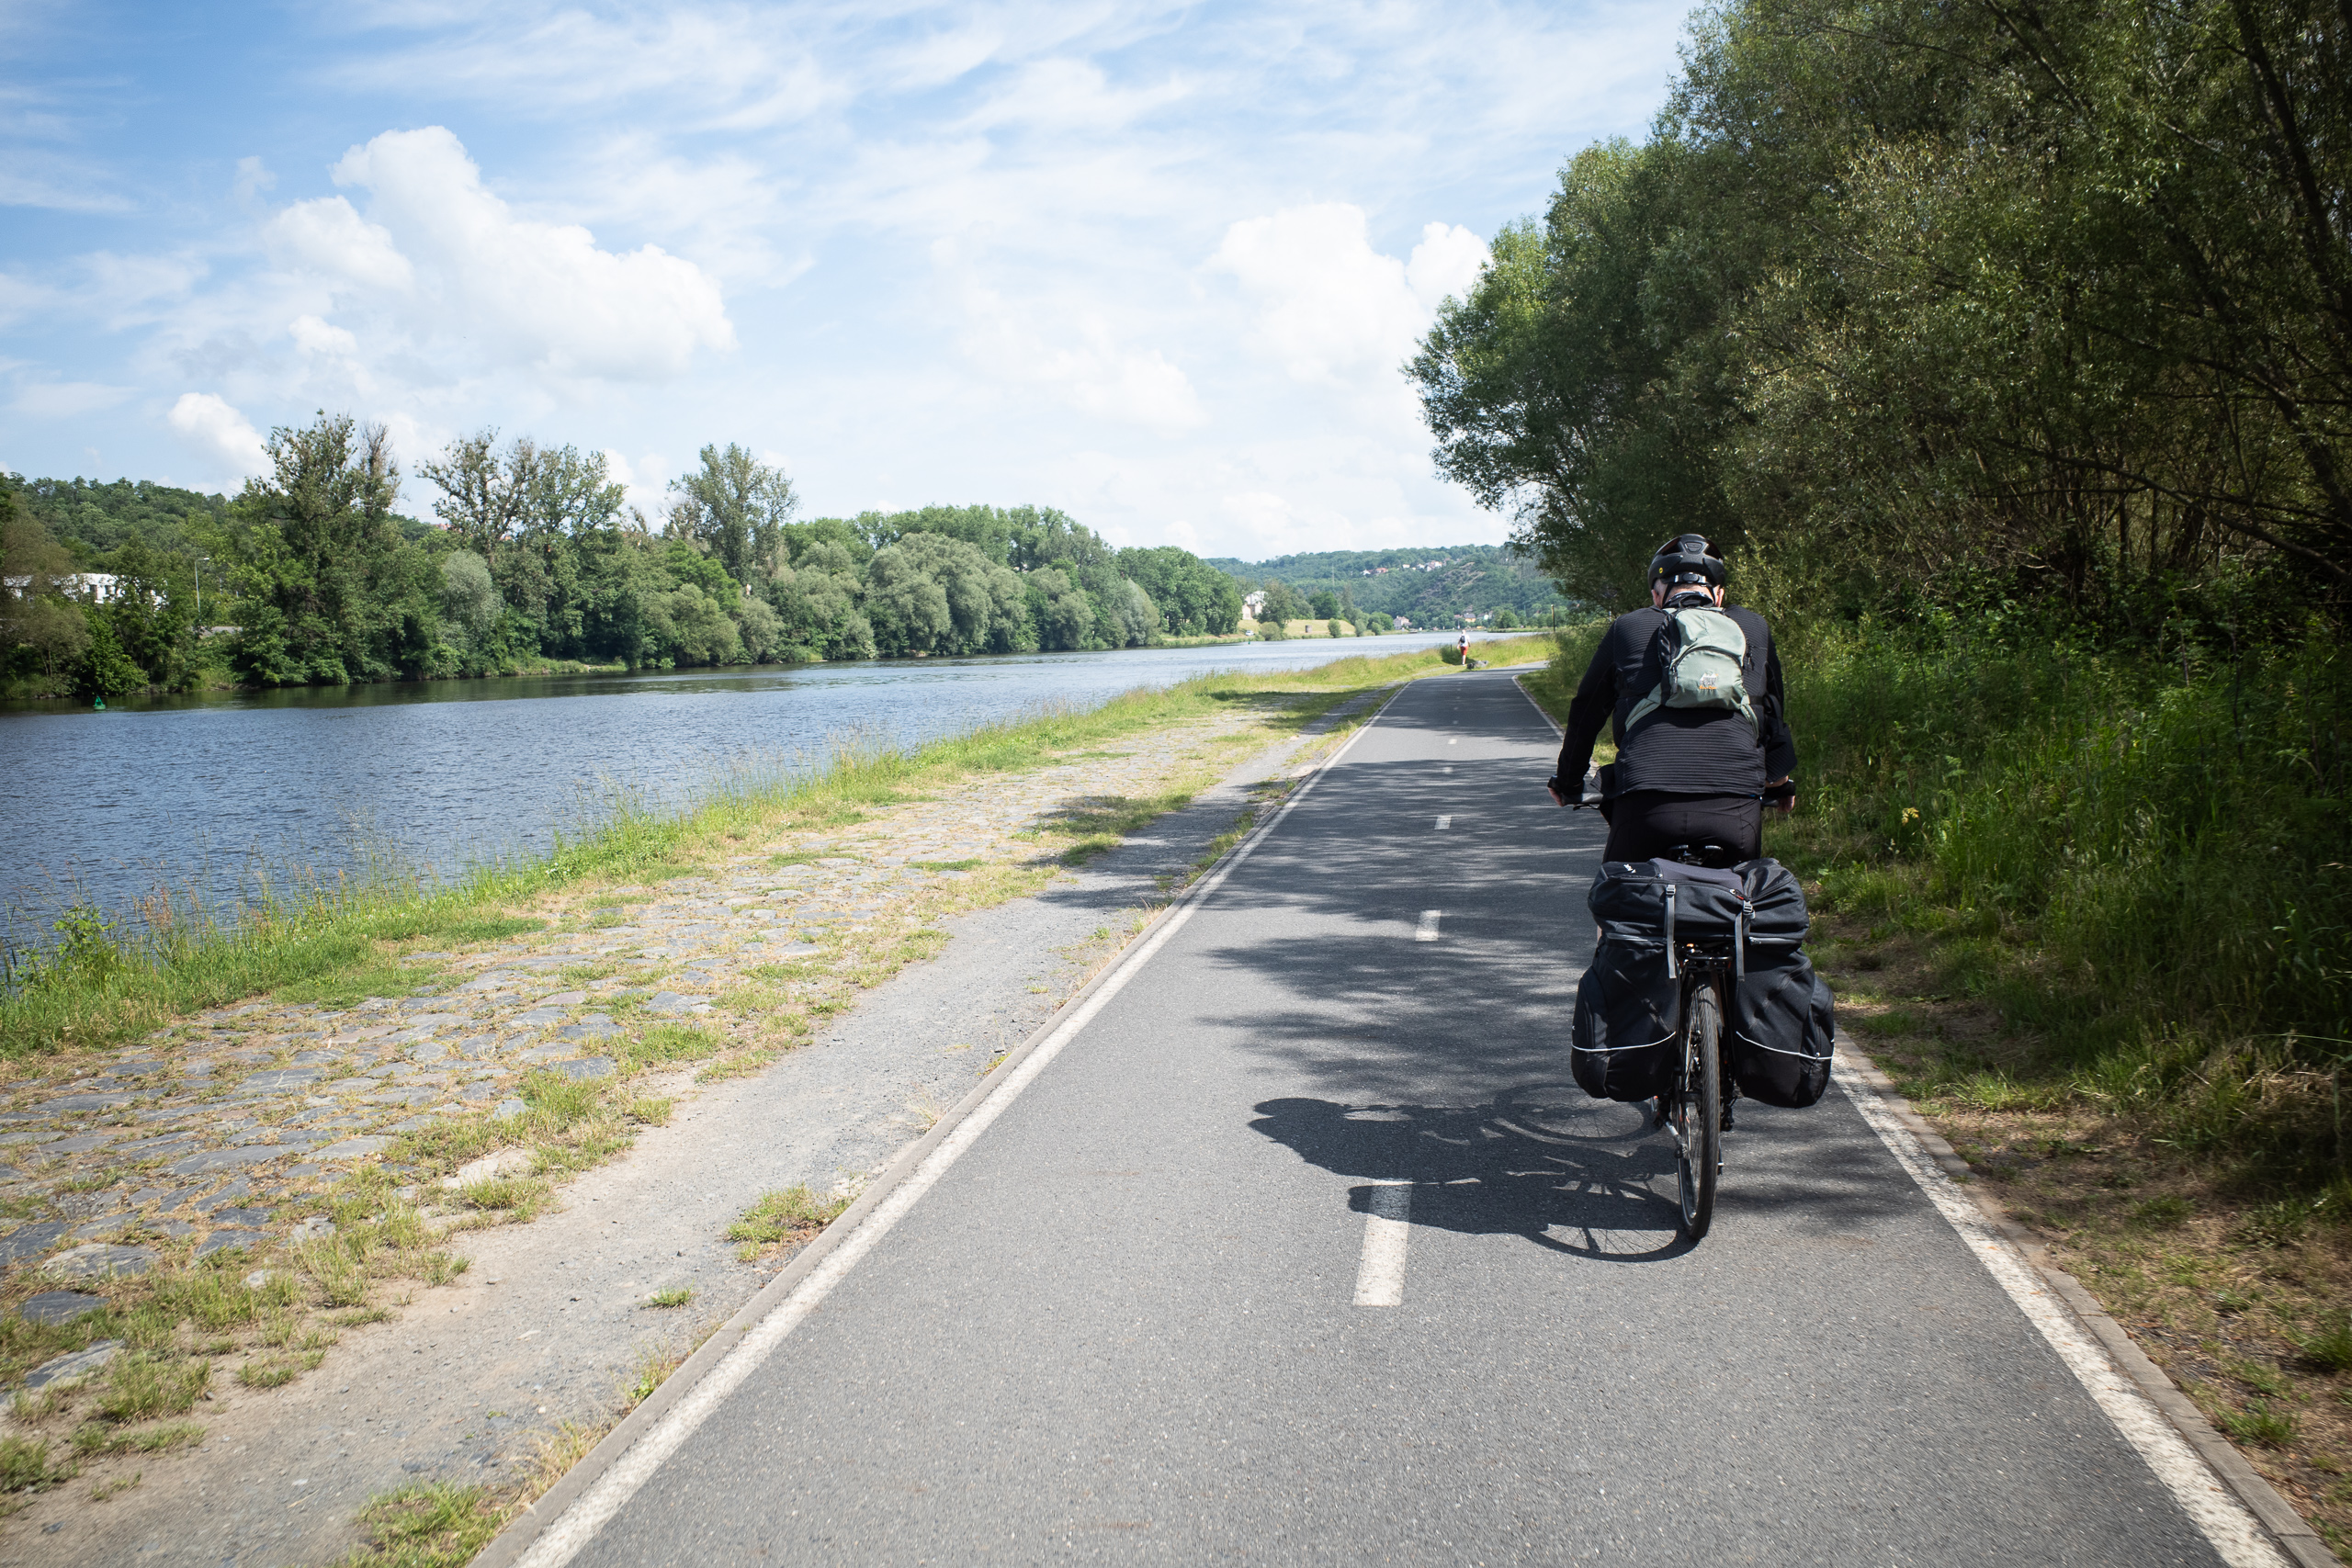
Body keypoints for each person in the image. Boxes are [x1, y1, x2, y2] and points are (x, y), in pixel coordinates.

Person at [1544, 535, 1796, 862]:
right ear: (1719, 594)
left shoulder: (1628, 627)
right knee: (1741, 889)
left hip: (1646, 805)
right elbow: (1773, 713)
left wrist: (1568, 781)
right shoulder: (1753, 626)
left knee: (1622, 888)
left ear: (1657, 594)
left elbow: (1586, 712)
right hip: (1735, 807)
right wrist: (1779, 783)